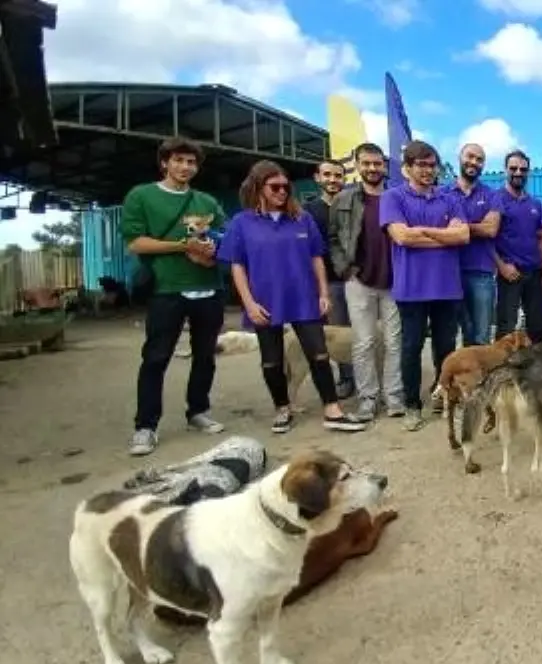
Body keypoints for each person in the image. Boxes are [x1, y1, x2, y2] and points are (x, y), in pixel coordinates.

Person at [218, 160, 367, 434]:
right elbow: (237, 266)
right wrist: (249, 303)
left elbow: (316, 259)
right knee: (271, 360)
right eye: (275, 187)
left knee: (320, 355)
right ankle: (282, 409)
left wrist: (323, 293)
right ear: (258, 188)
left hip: (304, 298)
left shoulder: (302, 218)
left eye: (286, 187)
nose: (282, 192)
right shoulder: (242, 223)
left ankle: (332, 410)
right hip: (264, 301)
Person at [122, 137, 227, 457]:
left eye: (191, 162)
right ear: (164, 162)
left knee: (205, 355)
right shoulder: (142, 196)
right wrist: (184, 247)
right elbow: (136, 243)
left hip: (210, 287)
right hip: (166, 289)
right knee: (156, 358)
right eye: (178, 160)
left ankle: (198, 411)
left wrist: (212, 250)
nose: (185, 167)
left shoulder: (206, 201)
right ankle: (146, 426)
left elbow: (226, 238)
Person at [380, 140, 470, 430]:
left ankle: (443, 396)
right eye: (422, 164)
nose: (428, 170)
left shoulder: (449, 198)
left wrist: (423, 231)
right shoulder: (393, 197)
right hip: (411, 288)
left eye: (432, 165)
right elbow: (402, 237)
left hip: (447, 287)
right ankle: (412, 405)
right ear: (407, 168)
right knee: (411, 347)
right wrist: (443, 235)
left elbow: (463, 236)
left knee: (446, 349)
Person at [328, 142, 403, 420]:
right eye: (366, 163)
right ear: (357, 166)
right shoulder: (344, 200)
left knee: (394, 343)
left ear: (384, 165)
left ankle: (394, 397)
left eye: (377, 163)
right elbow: (333, 238)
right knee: (363, 342)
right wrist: (344, 268)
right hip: (359, 280)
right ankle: (368, 399)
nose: (372, 169)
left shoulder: (396, 197)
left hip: (395, 282)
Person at [303, 157, 355, 398]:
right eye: (328, 175)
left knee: (364, 332)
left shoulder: (353, 204)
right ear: (318, 177)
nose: (333, 180)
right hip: (329, 283)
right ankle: (346, 378)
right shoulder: (308, 211)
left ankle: (366, 377)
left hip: (356, 279)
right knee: (338, 331)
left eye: (338, 176)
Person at [444, 142, 500, 348]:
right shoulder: (442, 193)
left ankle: (481, 380)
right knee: (446, 334)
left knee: (480, 336)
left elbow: (491, 229)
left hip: (481, 274)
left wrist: (458, 230)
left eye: (479, 159)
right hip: (448, 272)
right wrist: (477, 226)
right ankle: (447, 378)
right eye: (470, 156)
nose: (474, 162)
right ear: (460, 158)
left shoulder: (491, 195)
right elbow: (438, 227)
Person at [493, 149, 542, 343]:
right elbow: (488, 240)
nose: (518, 172)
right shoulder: (496, 199)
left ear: (528, 172)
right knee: (506, 328)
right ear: (505, 171)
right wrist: (501, 266)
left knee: (537, 327)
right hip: (510, 274)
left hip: (534, 273)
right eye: (513, 168)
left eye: (523, 169)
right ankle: (501, 372)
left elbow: (541, 238)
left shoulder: (535, 203)